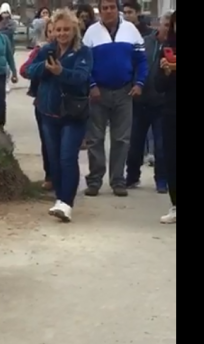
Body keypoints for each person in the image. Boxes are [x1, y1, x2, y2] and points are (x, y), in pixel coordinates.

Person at [26, 8, 92, 222]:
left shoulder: (84, 52)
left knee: (67, 157)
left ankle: (66, 202)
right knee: (54, 160)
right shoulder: (47, 50)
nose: (62, 33)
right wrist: (45, 69)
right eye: (59, 30)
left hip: (73, 114)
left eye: (66, 29)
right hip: (48, 113)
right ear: (53, 31)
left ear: (74, 30)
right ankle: (59, 198)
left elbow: (82, 78)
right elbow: (28, 70)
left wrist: (61, 72)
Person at [82, 0, 147, 197]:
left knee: (121, 139)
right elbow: (84, 62)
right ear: (99, 11)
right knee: (95, 139)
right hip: (98, 93)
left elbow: (141, 60)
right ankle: (94, 181)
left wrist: (139, 83)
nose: (108, 11)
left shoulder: (131, 30)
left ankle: (118, 180)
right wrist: (91, 85)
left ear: (117, 9)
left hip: (124, 92)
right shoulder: (91, 32)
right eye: (104, 8)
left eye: (112, 7)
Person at [125, 11, 171, 193]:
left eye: (171, 26)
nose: (168, 29)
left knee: (161, 146)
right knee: (134, 143)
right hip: (140, 100)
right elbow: (135, 63)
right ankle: (132, 176)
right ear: (159, 25)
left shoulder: (173, 46)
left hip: (161, 103)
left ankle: (161, 180)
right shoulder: (145, 42)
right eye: (166, 25)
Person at [21, 17, 54, 190]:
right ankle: (50, 175)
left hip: (68, 104)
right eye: (51, 31)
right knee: (47, 141)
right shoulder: (41, 50)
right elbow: (25, 70)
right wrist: (43, 67)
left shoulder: (75, 51)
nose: (56, 34)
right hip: (43, 102)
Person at [156, 10, 176, 224]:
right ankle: (175, 205)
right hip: (171, 111)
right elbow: (158, 86)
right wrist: (166, 72)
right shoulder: (167, 49)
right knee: (171, 159)